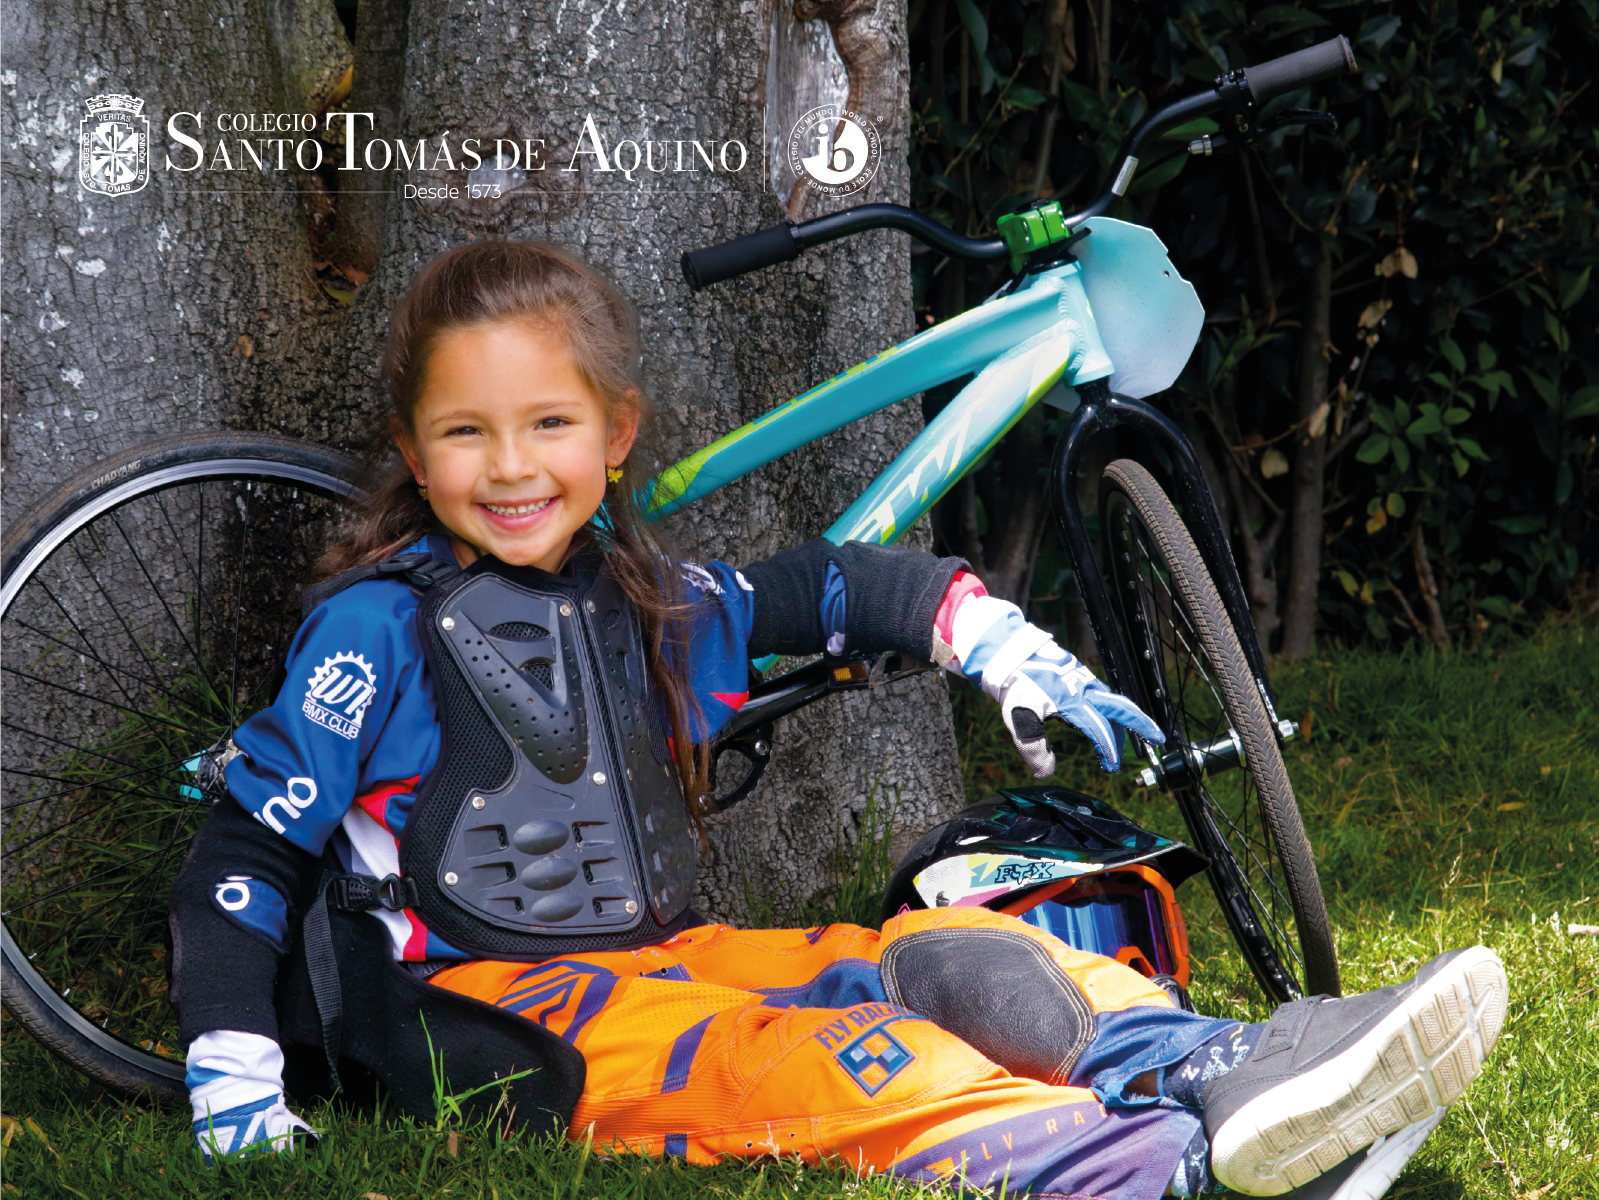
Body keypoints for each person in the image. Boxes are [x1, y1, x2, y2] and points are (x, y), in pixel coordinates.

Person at [168, 241, 1507, 1199]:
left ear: (615, 433)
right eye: (465, 434)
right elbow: (245, 852)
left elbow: (820, 586)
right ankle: (1147, 1168)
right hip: (491, 1015)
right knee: (810, 1059)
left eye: (548, 423)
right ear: (414, 453)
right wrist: (232, 1066)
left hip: (666, 957)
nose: (510, 465)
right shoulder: (376, 632)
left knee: (943, 955)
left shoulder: (640, 599)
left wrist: (992, 639)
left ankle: (1228, 1067)